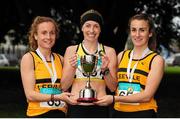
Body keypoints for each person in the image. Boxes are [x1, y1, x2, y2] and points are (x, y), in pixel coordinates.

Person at [94, 13, 165, 117]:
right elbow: (113, 88)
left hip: (143, 112)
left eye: (142, 30)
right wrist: (105, 70)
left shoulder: (156, 60)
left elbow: (147, 96)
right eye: (134, 30)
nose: (137, 34)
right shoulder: (121, 56)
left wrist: (115, 98)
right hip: (118, 112)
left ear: (150, 33)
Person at [61, 9, 118, 118]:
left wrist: (105, 70)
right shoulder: (72, 50)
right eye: (88, 25)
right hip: (76, 106)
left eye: (96, 26)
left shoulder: (109, 52)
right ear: (82, 28)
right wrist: (72, 68)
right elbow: (64, 86)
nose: (91, 30)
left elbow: (112, 88)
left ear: (100, 29)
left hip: (100, 107)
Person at [20, 16, 76, 118]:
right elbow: (30, 95)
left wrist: (73, 68)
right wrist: (56, 97)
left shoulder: (61, 59)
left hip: (60, 113)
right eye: (44, 33)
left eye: (52, 33)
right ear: (35, 35)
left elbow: (65, 87)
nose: (49, 37)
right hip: (38, 114)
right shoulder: (29, 58)